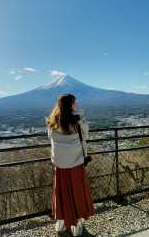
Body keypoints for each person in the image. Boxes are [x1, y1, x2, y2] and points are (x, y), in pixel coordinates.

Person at [46, 94, 95, 236]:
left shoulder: (52, 122)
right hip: (76, 164)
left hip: (60, 166)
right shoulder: (78, 122)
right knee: (77, 192)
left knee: (61, 193)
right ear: (71, 105)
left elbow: (50, 139)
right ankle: (77, 223)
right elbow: (86, 136)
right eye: (74, 103)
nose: (76, 105)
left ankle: (61, 220)